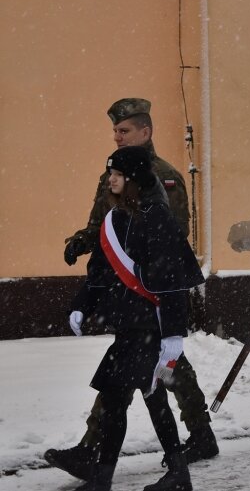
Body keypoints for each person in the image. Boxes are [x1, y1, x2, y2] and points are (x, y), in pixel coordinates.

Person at [46, 99, 217, 482]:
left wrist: (156, 296)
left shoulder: (163, 177)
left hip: (155, 291)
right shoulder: (115, 170)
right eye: (115, 132)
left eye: (124, 131)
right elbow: (108, 225)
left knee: (144, 373)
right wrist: (83, 241)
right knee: (153, 374)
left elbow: (164, 240)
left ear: (145, 132)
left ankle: (99, 454)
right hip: (131, 299)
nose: (117, 137)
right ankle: (192, 442)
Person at [66, 146, 203, 490]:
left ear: (134, 180)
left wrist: (173, 335)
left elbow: (171, 281)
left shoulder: (157, 217)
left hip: (149, 328)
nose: (110, 179)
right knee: (132, 401)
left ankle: (163, 475)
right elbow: (98, 271)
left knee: (136, 400)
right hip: (128, 328)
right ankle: (124, 476)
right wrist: (83, 304)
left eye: (116, 174)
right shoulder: (114, 219)